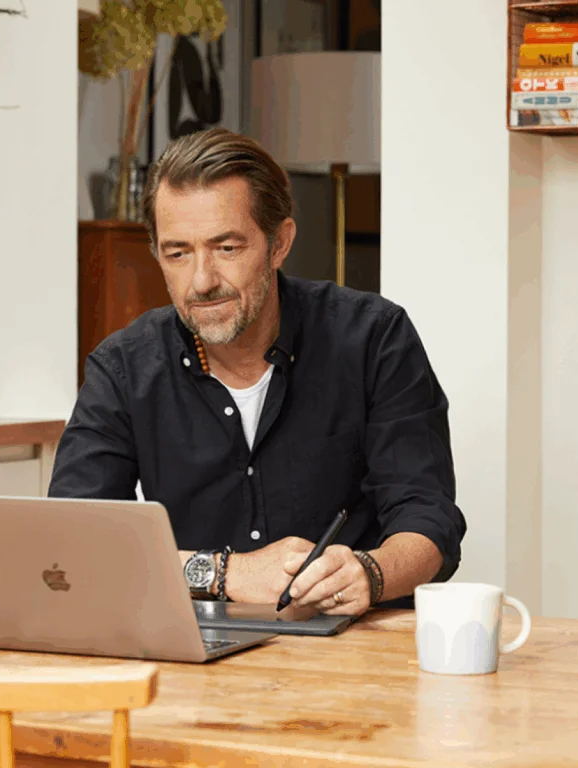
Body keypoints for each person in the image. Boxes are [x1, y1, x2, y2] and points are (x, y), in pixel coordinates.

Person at [49, 127, 466, 616]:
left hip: (351, 645)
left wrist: (371, 573)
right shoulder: (125, 367)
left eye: (227, 248)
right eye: (178, 253)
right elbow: (76, 541)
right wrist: (226, 574)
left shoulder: (373, 338)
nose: (202, 282)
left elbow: (429, 518)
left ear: (279, 242)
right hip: (191, 648)